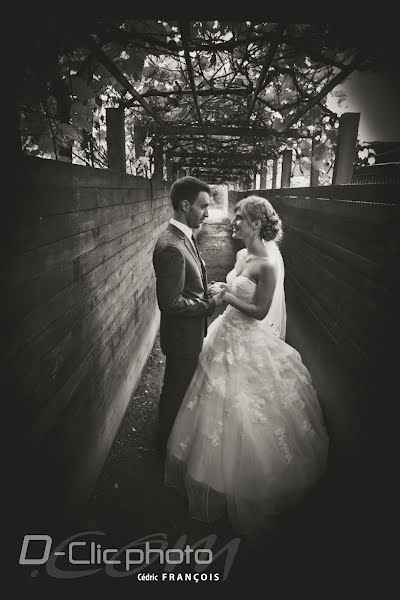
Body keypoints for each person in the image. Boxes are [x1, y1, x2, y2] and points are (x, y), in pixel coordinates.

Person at [164, 195, 329, 539]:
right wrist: (225, 288)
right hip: (224, 333)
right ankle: (212, 473)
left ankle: (246, 480)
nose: (232, 221)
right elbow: (238, 290)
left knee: (246, 408)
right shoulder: (241, 255)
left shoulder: (267, 264)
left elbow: (260, 311)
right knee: (212, 403)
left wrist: (227, 297)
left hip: (247, 338)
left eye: (239, 217)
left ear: (255, 224)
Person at [153, 176, 225, 460]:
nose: (207, 213)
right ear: (185, 205)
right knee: (175, 393)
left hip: (189, 334)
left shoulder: (183, 236)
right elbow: (169, 302)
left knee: (179, 390)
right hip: (182, 337)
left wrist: (204, 289)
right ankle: (163, 450)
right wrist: (209, 304)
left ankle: (169, 443)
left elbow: (186, 285)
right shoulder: (171, 245)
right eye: (203, 206)